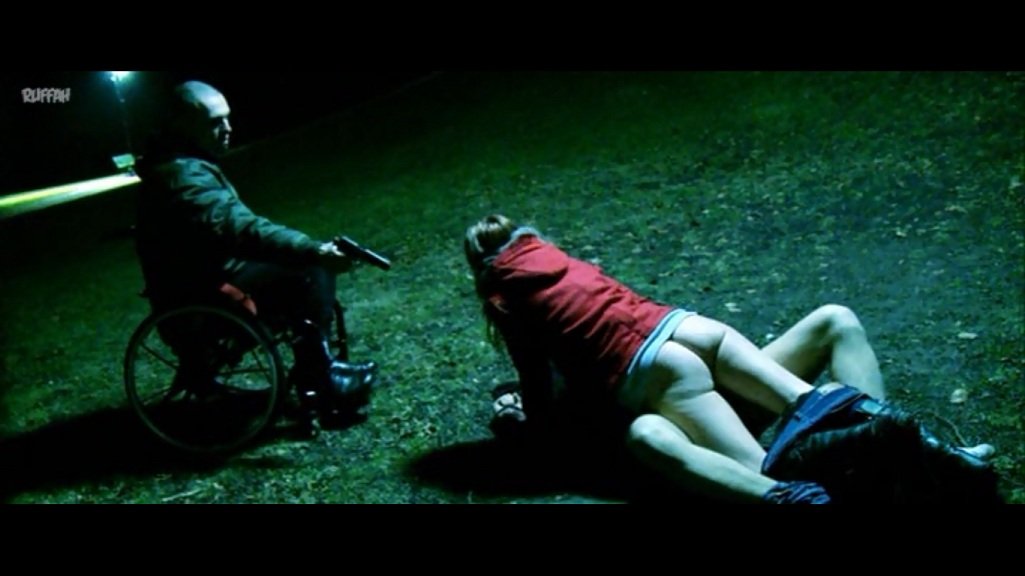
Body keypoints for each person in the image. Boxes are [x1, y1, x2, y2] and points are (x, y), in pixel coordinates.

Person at [465, 214, 994, 503]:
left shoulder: (507, 298)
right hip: (692, 330)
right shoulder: (565, 265)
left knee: (743, 463)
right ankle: (908, 449)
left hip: (662, 380)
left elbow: (543, 392)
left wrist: (523, 420)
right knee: (833, 327)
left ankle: (825, 488)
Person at [134, 80, 377, 414]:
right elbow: (238, 227)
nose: (227, 129)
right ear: (182, 125)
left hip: (208, 280)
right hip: (200, 300)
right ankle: (320, 378)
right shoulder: (179, 176)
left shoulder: (185, 164)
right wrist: (312, 250)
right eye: (214, 122)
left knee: (299, 263)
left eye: (227, 118)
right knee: (308, 266)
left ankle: (319, 367)